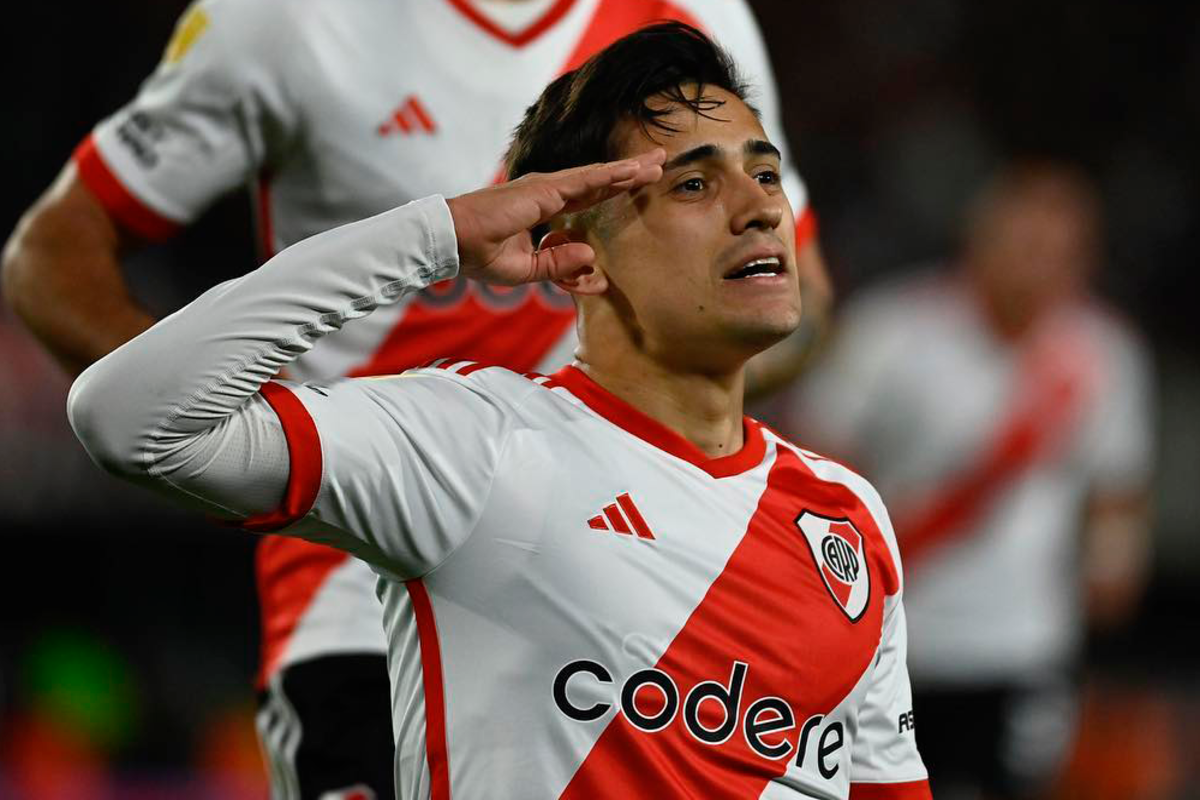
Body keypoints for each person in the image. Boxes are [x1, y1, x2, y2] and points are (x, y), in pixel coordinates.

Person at [67, 24, 927, 799]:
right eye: (695, 184)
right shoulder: (475, 446)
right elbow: (127, 417)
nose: (761, 207)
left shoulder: (847, 518)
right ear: (579, 259)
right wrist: (435, 235)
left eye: (765, 171)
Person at [786, 162, 1155, 800]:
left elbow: (1115, 491)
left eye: (1059, 252)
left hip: (1022, 649)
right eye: (1025, 244)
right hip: (888, 645)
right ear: (979, 237)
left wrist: (1112, 566)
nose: (1040, 265)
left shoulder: (1105, 353)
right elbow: (814, 466)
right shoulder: (893, 330)